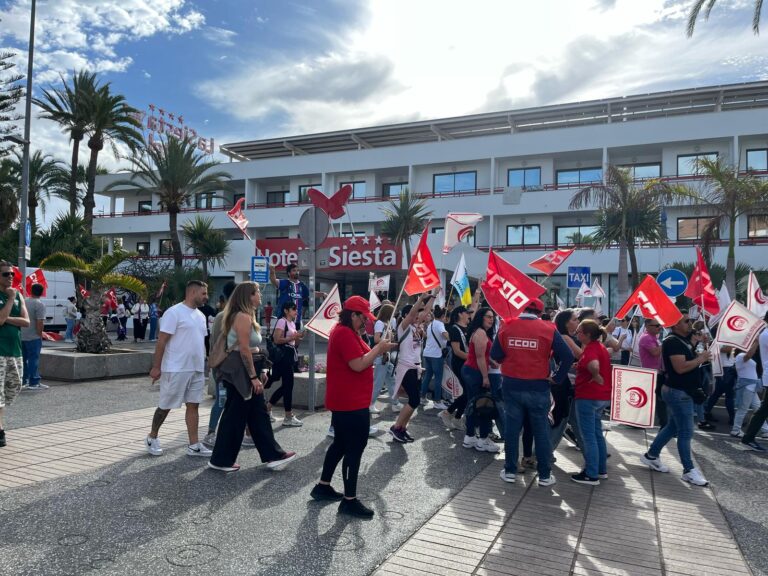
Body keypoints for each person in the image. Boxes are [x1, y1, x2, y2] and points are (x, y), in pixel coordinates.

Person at [311, 295, 396, 517]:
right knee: (354, 449)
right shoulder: (344, 334)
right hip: (350, 402)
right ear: (353, 315)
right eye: (363, 317)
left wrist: (379, 348)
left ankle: (323, 486)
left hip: (348, 399)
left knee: (340, 444)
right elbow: (358, 365)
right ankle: (349, 500)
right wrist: (379, 349)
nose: (365, 322)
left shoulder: (346, 332)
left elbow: (361, 360)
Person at [208, 282, 296, 472]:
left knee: (255, 414)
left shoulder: (246, 316)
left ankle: (271, 455)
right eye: (257, 292)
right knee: (237, 415)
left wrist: (261, 371)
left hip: (246, 369)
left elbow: (254, 349)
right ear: (248, 296)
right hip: (240, 371)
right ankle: (221, 460)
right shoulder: (242, 316)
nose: (260, 296)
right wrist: (254, 376)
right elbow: (245, 350)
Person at [492, 298, 574, 486]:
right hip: (539, 386)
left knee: (512, 430)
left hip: (511, 385)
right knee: (541, 431)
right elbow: (568, 356)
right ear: (540, 312)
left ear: (522, 308)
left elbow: (496, 355)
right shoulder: (548, 328)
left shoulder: (506, 326)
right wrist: (557, 377)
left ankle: (510, 471)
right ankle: (544, 475)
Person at [640, 311, 710, 487]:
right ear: (675, 324)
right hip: (678, 392)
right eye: (686, 321)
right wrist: (700, 358)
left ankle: (651, 455)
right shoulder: (671, 342)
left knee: (672, 426)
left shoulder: (683, 340)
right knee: (686, 431)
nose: (690, 324)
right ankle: (688, 470)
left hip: (682, 391)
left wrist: (699, 345)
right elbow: (680, 368)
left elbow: (689, 357)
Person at [146, 280, 212, 458]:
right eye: (204, 293)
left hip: (197, 368)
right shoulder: (174, 312)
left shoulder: (201, 315)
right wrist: (156, 367)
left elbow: (201, 341)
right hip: (176, 368)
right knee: (166, 405)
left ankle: (194, 445)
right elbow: (162, 341)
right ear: (192, 293)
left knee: (194, 406)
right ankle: (152, 437)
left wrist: (207, 361)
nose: (206, 297)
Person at [571, 319, 612, 485]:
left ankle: (591, 473)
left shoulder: (591, 349)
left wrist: (595, 374)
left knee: (588, 436)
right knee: (596, 434)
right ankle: (600, 469)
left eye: (579, 331)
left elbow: (594, 364)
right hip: (601, 397)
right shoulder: (598, 346)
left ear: (587, 334)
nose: (576, 333)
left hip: (589, 396)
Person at [389, 293, 434, 443]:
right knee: (414, 400)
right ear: (407, 315)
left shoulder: (417, 326)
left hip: (416, 368)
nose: (418, 316)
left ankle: (402, 428)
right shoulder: (404, 327)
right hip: (406, 367)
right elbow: (414, 313)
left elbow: (426, 312)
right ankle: (396, 427)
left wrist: (434, 295)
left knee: (414, 401)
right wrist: (420, 299)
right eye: (414, 313)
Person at [461, 307, 501, 453]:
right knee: (484, 406)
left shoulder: (478, 332)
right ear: (481, 317)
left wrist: (490, 361)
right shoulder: (480, 332)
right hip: (475, 372)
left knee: (473, 405)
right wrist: (485, 376)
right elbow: (479, 357)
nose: (491, 319)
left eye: (492, 317)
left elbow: (482, 354)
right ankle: (482, 439)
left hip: (471, 371)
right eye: (488, 316)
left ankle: (470, 436)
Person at [202, 280, 237, 448]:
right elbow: (218, 344)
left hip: (225, 367)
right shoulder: (225, 316)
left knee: (227, 400)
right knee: (222, 400)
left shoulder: (226, 315)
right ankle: (211, 433)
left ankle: (222, 432)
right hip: (224, 368)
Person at [0, 260, 30, 448]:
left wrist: (6, 318)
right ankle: (1, 429)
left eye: (11, 274)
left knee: (11, 389)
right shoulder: (12, 296)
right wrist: (10, 299)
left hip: (15, 351)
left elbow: (26, 322)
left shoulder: (19, 294)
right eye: (5, 274)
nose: (10, 277)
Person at [267, 301, 304, 427]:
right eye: (293, 309)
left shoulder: (292, 323)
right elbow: (277, 339)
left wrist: (298, 337)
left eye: (296, 309)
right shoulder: (282, 321)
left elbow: (294, 343)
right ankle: (287, 416)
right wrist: (292, 338)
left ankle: (269, 408)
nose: (296, 311)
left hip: (288, 357)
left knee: (287, 386)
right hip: (282, 357)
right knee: (287, 385)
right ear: (286, 311)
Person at [438, 305, 471, 431]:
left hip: (468, 364)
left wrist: (478, 293)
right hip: (460, 364)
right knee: (466, 393)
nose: (469, 315)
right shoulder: (454, 329)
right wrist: (472, 358)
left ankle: (457, 418)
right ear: (460, 314)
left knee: (467, 393)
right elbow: (457, 351)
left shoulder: (468, 327)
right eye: (466, 313)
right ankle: (447, 412)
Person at [730, 340, 768, 438]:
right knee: (743, 409)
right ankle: (736, 430)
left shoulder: (742, 356)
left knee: (758, 408)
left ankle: (765, 430)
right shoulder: (740, 356)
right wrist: (756, 342)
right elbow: (749, 355)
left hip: (751, 387)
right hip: (746, 387)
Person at [741, 319, 768, 451]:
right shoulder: (766, 334)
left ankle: (749, 437)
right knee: (764, 410)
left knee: (764, 409)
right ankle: (748, 437)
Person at [270, 264, 325, 329]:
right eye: (294, 270)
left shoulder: (301, 285)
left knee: (296, 338)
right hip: (284, 320)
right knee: (284, 338)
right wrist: (272, 271)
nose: (297, 272)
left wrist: (323, 294)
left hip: (297, 321)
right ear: (289, 273)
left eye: (297, 270)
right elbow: (274, 281)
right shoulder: (285, 283)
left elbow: (311, 294)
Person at [638, 318, 667, 428]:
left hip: (657, 372)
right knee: (658, 399)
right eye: (656, 325)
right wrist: (665, 343)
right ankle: (664, 424)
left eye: (659, 325)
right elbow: (655, 352)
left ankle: (640, 421)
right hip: (651, 373)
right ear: (647, 326)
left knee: (656, 399)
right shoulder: (646, 338)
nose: (659, 327)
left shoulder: (654, 337)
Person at [421, 306, 449, 410]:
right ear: (442, 316)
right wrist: (450, 337)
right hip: (436, 354)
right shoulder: (440, 324)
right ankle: (437, 401)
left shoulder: (430, 324)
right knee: (438, 378)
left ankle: (422, 397)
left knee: (427, 376)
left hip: (427, 353)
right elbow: (445, 335)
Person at [21, 283, 48, 391]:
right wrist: (40, 334)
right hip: (33, 336)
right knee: (34, 359)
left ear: (31, 290)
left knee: (23, 359)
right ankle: (34, 382)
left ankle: (24, 381)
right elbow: (40, 321)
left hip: (22, 335)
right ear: (42, 292)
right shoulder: (39, 304)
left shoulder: (24, 301)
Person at [704, 344, 736, 427]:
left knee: (718, 393)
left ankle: (706, 412)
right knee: (729, 395)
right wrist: (737, 345)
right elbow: (724, 349)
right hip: (725, 369)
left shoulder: (726, 338)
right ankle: (733, 419)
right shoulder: (721, 338)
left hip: (726, 368)